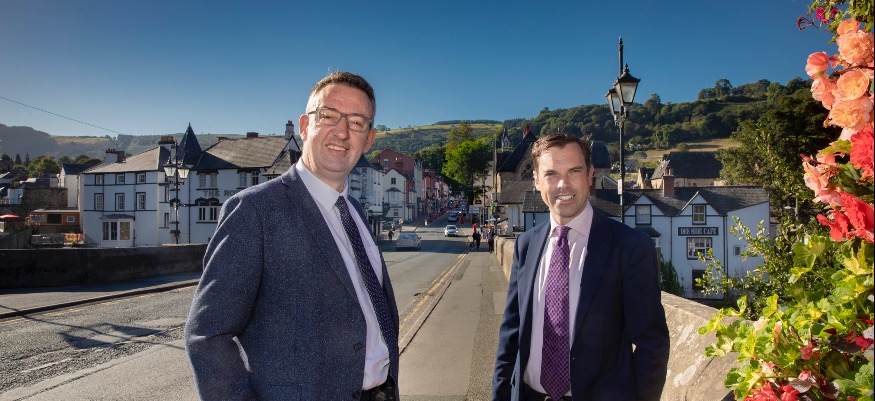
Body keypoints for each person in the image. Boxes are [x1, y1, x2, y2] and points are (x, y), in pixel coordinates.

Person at [185, 71, 400, 401]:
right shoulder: (254, 210)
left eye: (356, 122)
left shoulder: (354, 210)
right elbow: (208, 334)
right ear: (304, 126)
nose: (342, 131)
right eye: (328, 115)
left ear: (368, 139)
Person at [492, 132, 669, 401]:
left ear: (590, 175)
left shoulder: (630, 247)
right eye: (551, 174)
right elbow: (511, 332)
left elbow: (651, 344)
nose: (563, 184)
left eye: (574, 171)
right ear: (537, 180)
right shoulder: (526, 245)